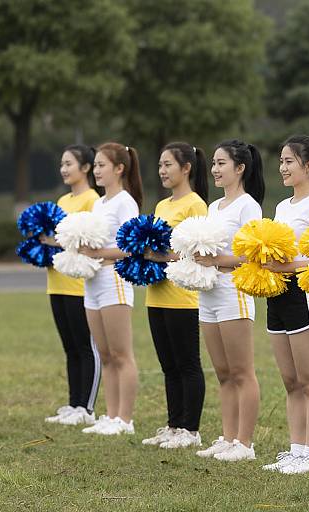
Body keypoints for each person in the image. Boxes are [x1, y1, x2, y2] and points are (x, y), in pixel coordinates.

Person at [262, 135, 309, 474]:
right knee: (290, 380)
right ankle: (296, 450)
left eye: (289, 161)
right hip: (277, 293)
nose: (283, 167)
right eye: (281, 161)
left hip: (303, 292)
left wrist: (285, 266)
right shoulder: (282, 207)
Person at [194, 139, 264, 462]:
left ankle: (245, 443)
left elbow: (251, 256)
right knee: (222, 371)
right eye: (213, 163)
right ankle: (227, 436)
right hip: (208, 293)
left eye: (222, 164)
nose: (215, 170)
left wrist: (217, 260)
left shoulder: (248, 206)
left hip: (234, 292)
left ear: (240, 168)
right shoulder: (213, 207)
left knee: (241, 371)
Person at [142, 142, 208, 449]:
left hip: (183, 297)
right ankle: (173, 425)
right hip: (157, 295)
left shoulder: (196, 204)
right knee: (168, 365)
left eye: (168, 165)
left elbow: (198, 252)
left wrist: (160, 256)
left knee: (187, 363)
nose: (162, 171)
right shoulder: (161, 206)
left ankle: (190, 430)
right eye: (160, 165)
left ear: (186, 168)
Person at [79, 142, 143, 436]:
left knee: (121, 354)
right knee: (104, 354)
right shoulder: (99, 203)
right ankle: (110, 415)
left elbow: (132, 248)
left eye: (102, 165)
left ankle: (124, 420)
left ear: (120, 168)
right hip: (92, 281)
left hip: (114, 280)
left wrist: (98, 253)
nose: (97, 171)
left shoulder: (125, 202)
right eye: (95, 165)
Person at [43, 145, 101, 426]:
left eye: (69, 164)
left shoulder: (92, 200)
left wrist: (59, 241)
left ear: (86, 168)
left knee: (84, 345)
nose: (64, 169)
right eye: (62, 164)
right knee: (70, 347)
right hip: (56, 282)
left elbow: (93, 241)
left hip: (80, 286)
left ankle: (87, 408)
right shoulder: (62, 200)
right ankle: (73, 403)